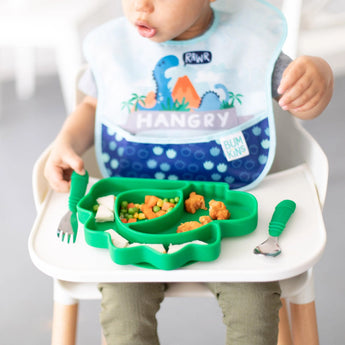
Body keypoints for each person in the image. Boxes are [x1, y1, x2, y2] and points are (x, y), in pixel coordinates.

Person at [44, 0, 333, 344]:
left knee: (255, 312)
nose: (141, 6)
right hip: (134, 221)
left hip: (233, 214)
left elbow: (295, 89)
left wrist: (320, 77)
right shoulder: (117, 48)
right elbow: (94, 105)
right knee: (124, 319)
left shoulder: (247, 39)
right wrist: (66, 141)